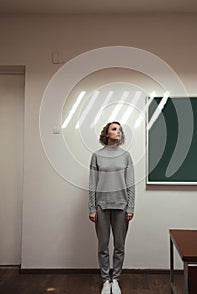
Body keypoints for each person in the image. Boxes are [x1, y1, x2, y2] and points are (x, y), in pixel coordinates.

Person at [88, 121, 135, 294]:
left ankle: (115, 279)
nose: (118, 132)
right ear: (106, 134)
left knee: (119, 246)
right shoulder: (97, 156)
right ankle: (105, 281)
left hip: (121, 206)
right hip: (101, 206)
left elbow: (130, 184)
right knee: (103, 246)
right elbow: (92, 183)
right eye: (114, 129)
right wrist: (92, 207)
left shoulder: (126, 156)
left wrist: (130, 207)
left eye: (120, 129)